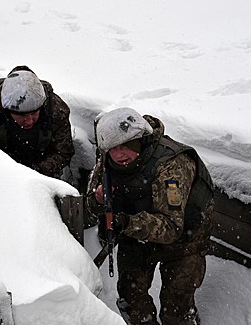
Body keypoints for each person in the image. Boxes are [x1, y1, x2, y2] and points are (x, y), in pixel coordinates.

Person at [86, 107, 215, 325]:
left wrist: (126, 222)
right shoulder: (109, 163)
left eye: (126, 146)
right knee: (132, 301)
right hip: (137, 235)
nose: (119, 154)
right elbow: (90, 204)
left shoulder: (171, 165)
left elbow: (171, 228)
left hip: (185, 242)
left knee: (177, 310)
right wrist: (99, 200)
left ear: (141, 141)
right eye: (113, 148)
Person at [0, 66, 75, 179]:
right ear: (7, 111)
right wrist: (0, 168)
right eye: (23, 116)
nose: (29, 121)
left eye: (34, 113)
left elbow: (63, 153)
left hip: (40, 176)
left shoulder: (56, 110)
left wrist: (35, 171)